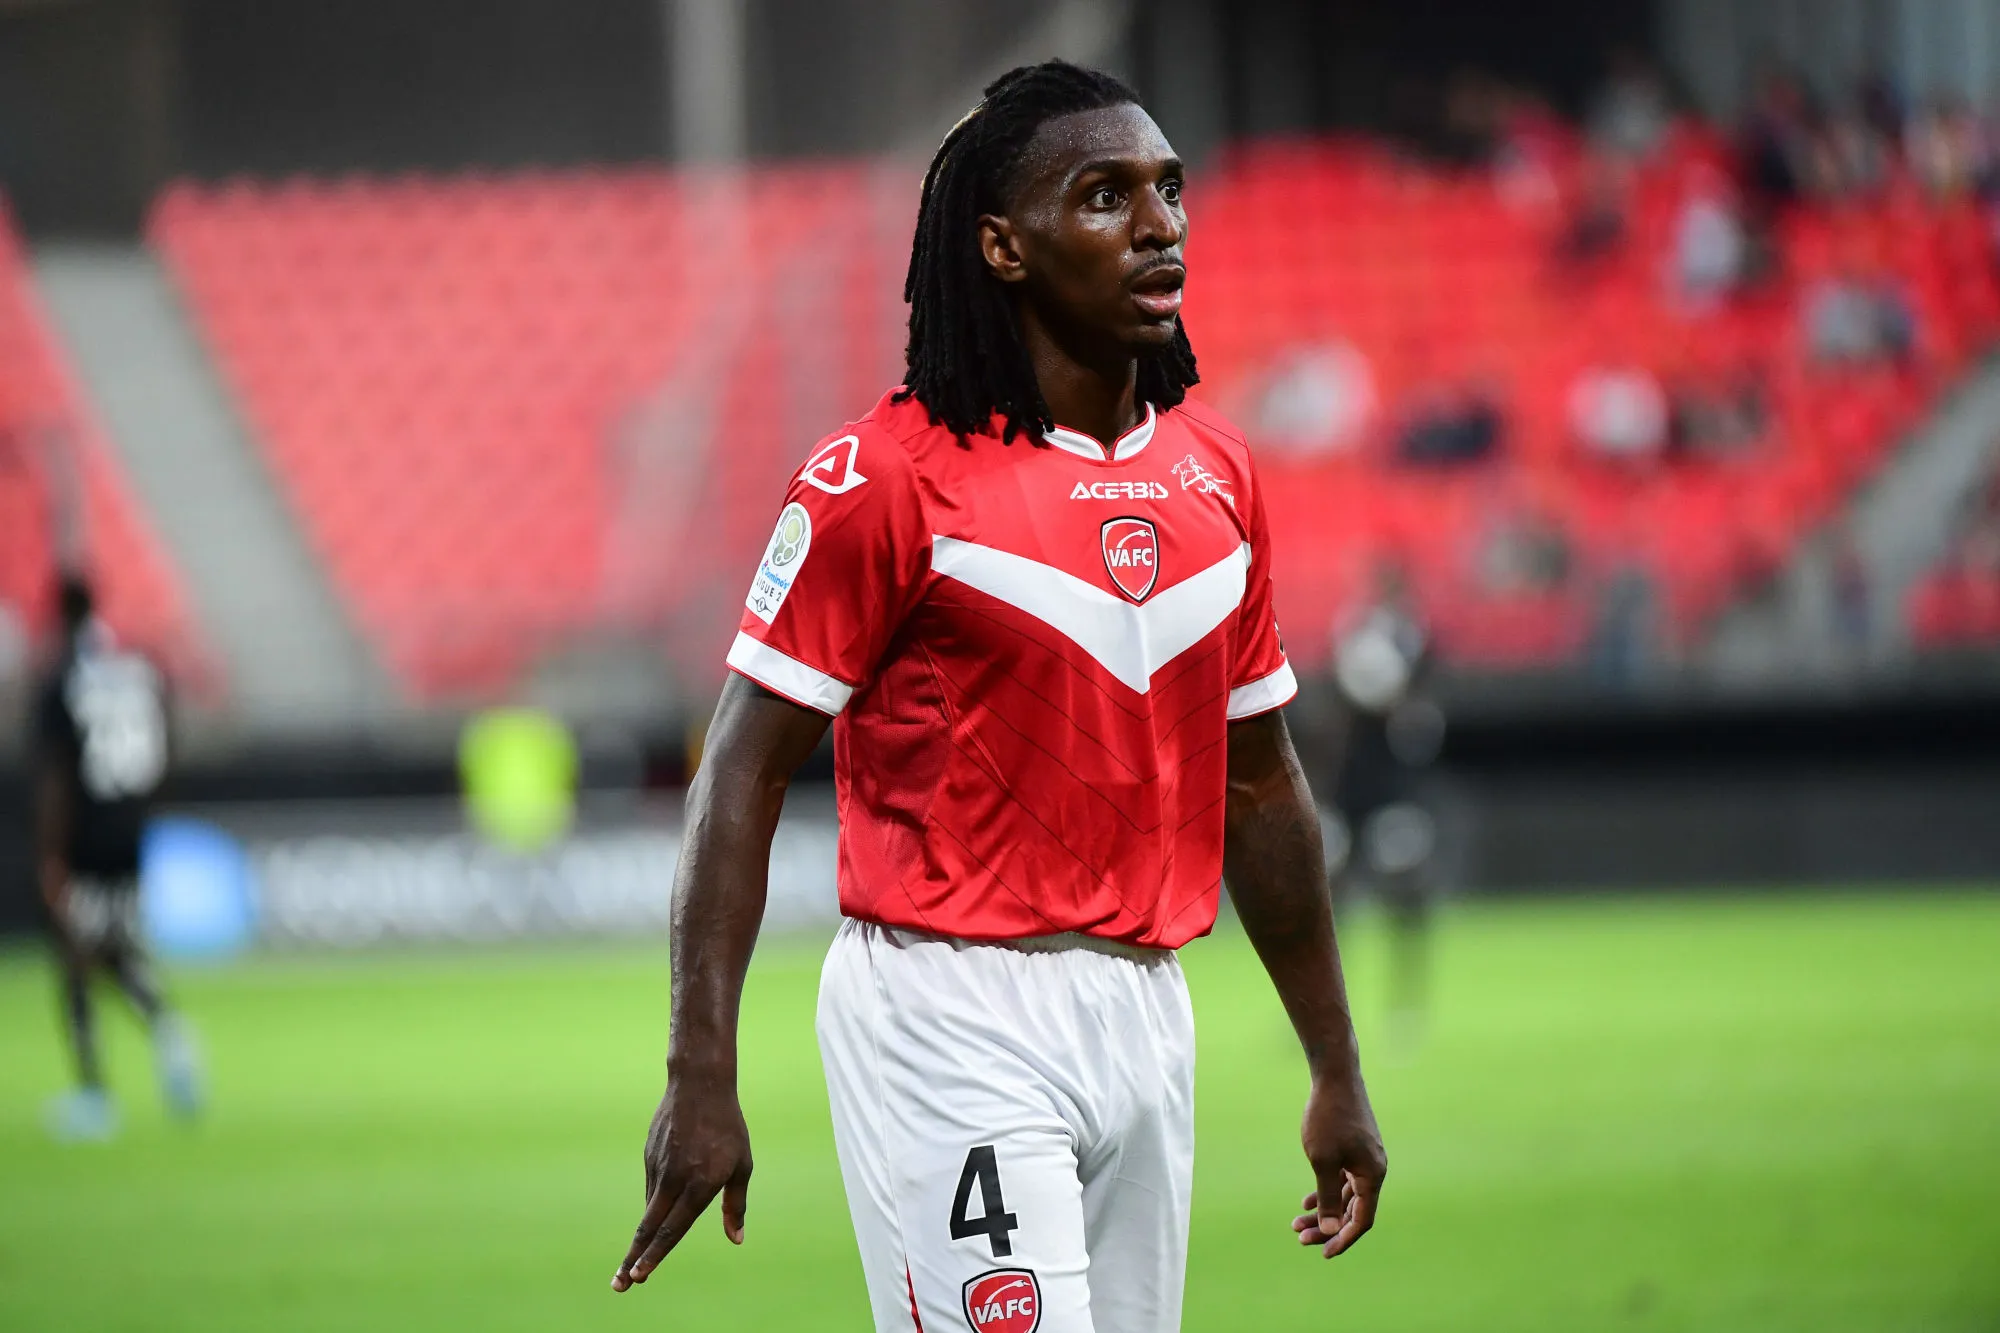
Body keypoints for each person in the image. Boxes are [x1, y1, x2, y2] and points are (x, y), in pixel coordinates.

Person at [612, 62, 1385, 1331]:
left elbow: (1259, 783)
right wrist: (701, 1068)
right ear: (1000, 246)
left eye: (1168, 189)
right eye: (1104, 196)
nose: (1158, 225)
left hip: (1147, 1008)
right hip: (948, 1008)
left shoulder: (1216, 475)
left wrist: (1332, 1066)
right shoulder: (881, 478)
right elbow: (741, 769)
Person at [32, 573, 201, 1139]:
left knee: (75, 959)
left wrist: (50, 855)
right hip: (131, 831)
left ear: (58, 612)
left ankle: (94, 1095)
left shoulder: (62, 681)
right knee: (111, 951)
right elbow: (167, 745)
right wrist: (144, 811)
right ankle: (170, 1031)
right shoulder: (136, 669)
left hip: (84, 838)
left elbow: (57, 776)